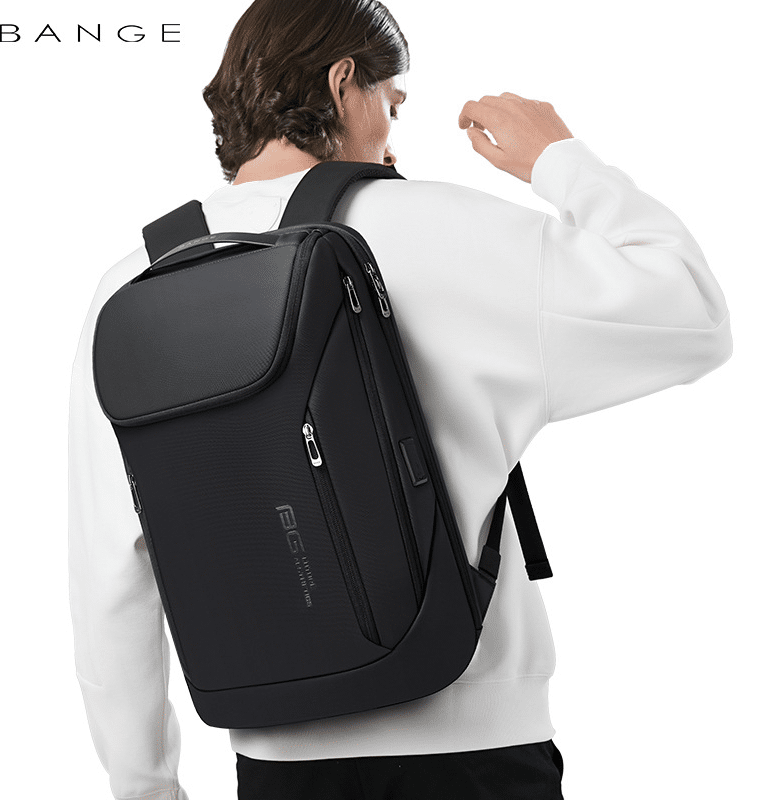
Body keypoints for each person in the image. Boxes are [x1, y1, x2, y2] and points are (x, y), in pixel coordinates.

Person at [67, 0, 733, 798]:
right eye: (393, 102)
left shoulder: (131, 284)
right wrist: (558, 158)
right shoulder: (439, 226)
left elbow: (111, 572)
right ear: (342, 82)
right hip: (474, 754)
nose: (391, 131)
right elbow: (693, 313)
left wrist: (146, 786)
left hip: (277, 766)